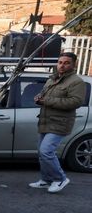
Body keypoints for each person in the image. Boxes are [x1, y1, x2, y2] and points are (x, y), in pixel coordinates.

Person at [29, 52, 86, 193]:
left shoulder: (76, 82)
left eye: (66, 63)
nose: (62, 65)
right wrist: (39, 98)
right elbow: (45, 95)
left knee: (46, 151)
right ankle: (46, 179)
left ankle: (60, 178)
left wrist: (46, 101)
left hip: (60, 122)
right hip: (45, 120)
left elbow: (75, 102)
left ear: (74, 65)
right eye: (60, 62)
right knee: (41, 152)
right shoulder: (52, 79)